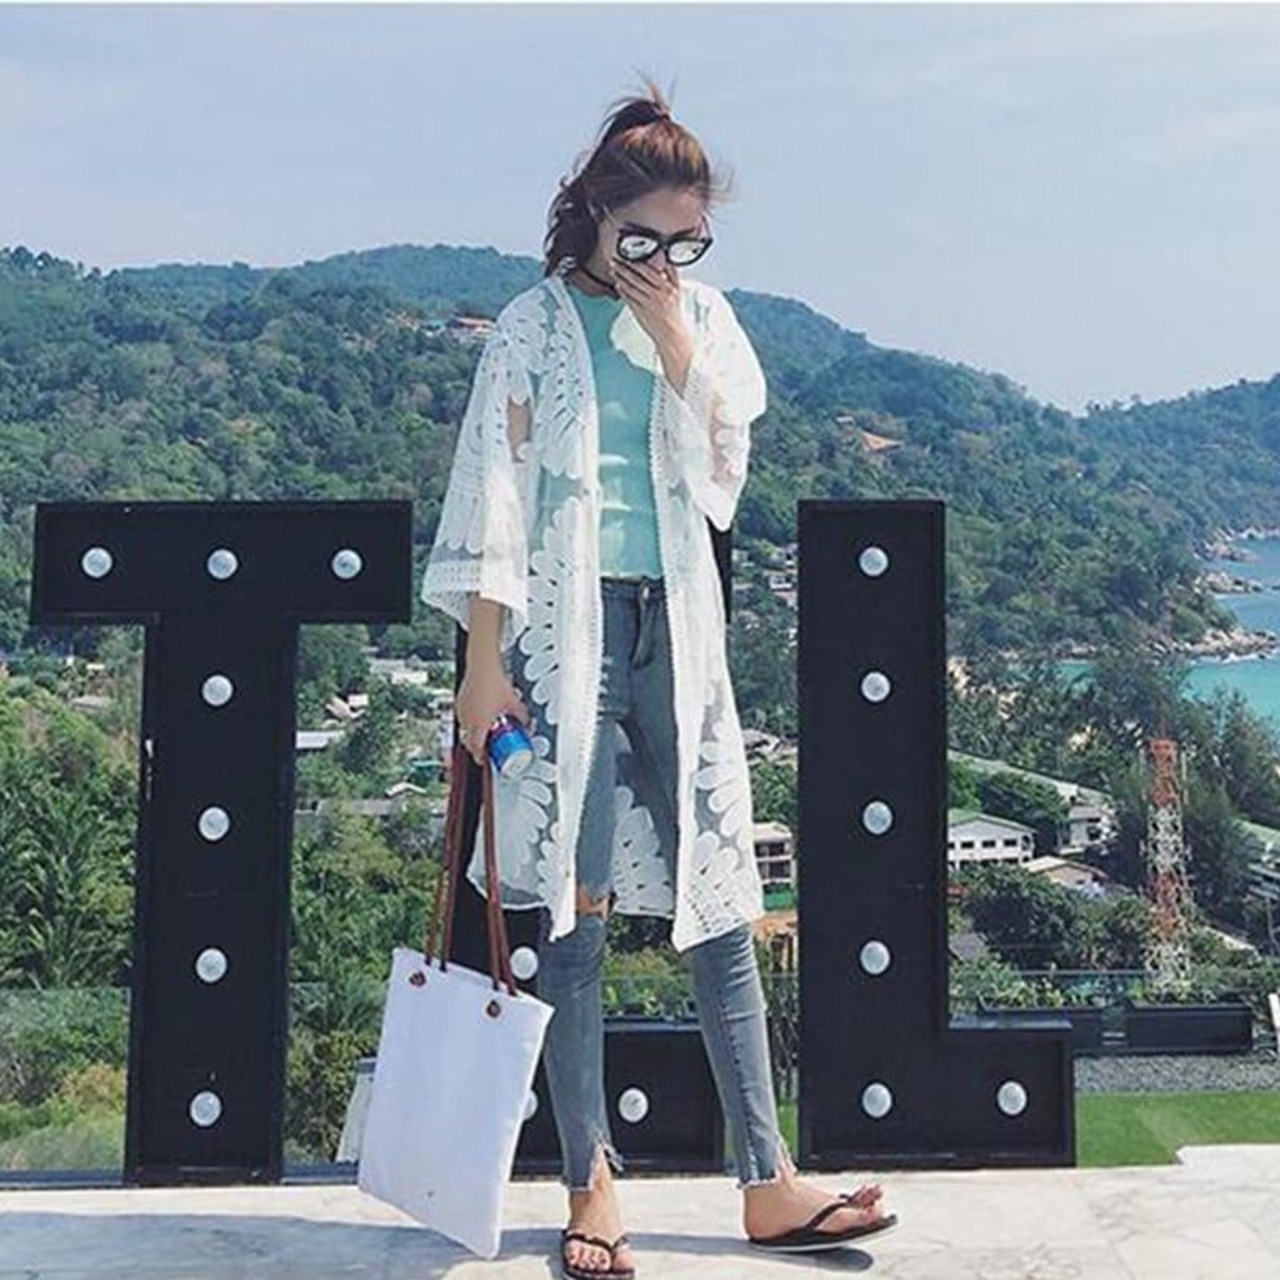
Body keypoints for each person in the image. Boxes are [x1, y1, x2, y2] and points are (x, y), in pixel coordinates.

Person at [421, 78, 896, 1280]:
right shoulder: (530, 327)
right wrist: (482, 663)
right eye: (643, 239)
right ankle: (590, 1179)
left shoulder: (704, 317)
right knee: (570, 908)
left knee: (718, 890)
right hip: (562, 632)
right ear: (593, 209)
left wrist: (677, 337)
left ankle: (767, 1179)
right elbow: (492, 498)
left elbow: (723, 465)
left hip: (675, 627)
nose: (661, 262)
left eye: (685, 243)